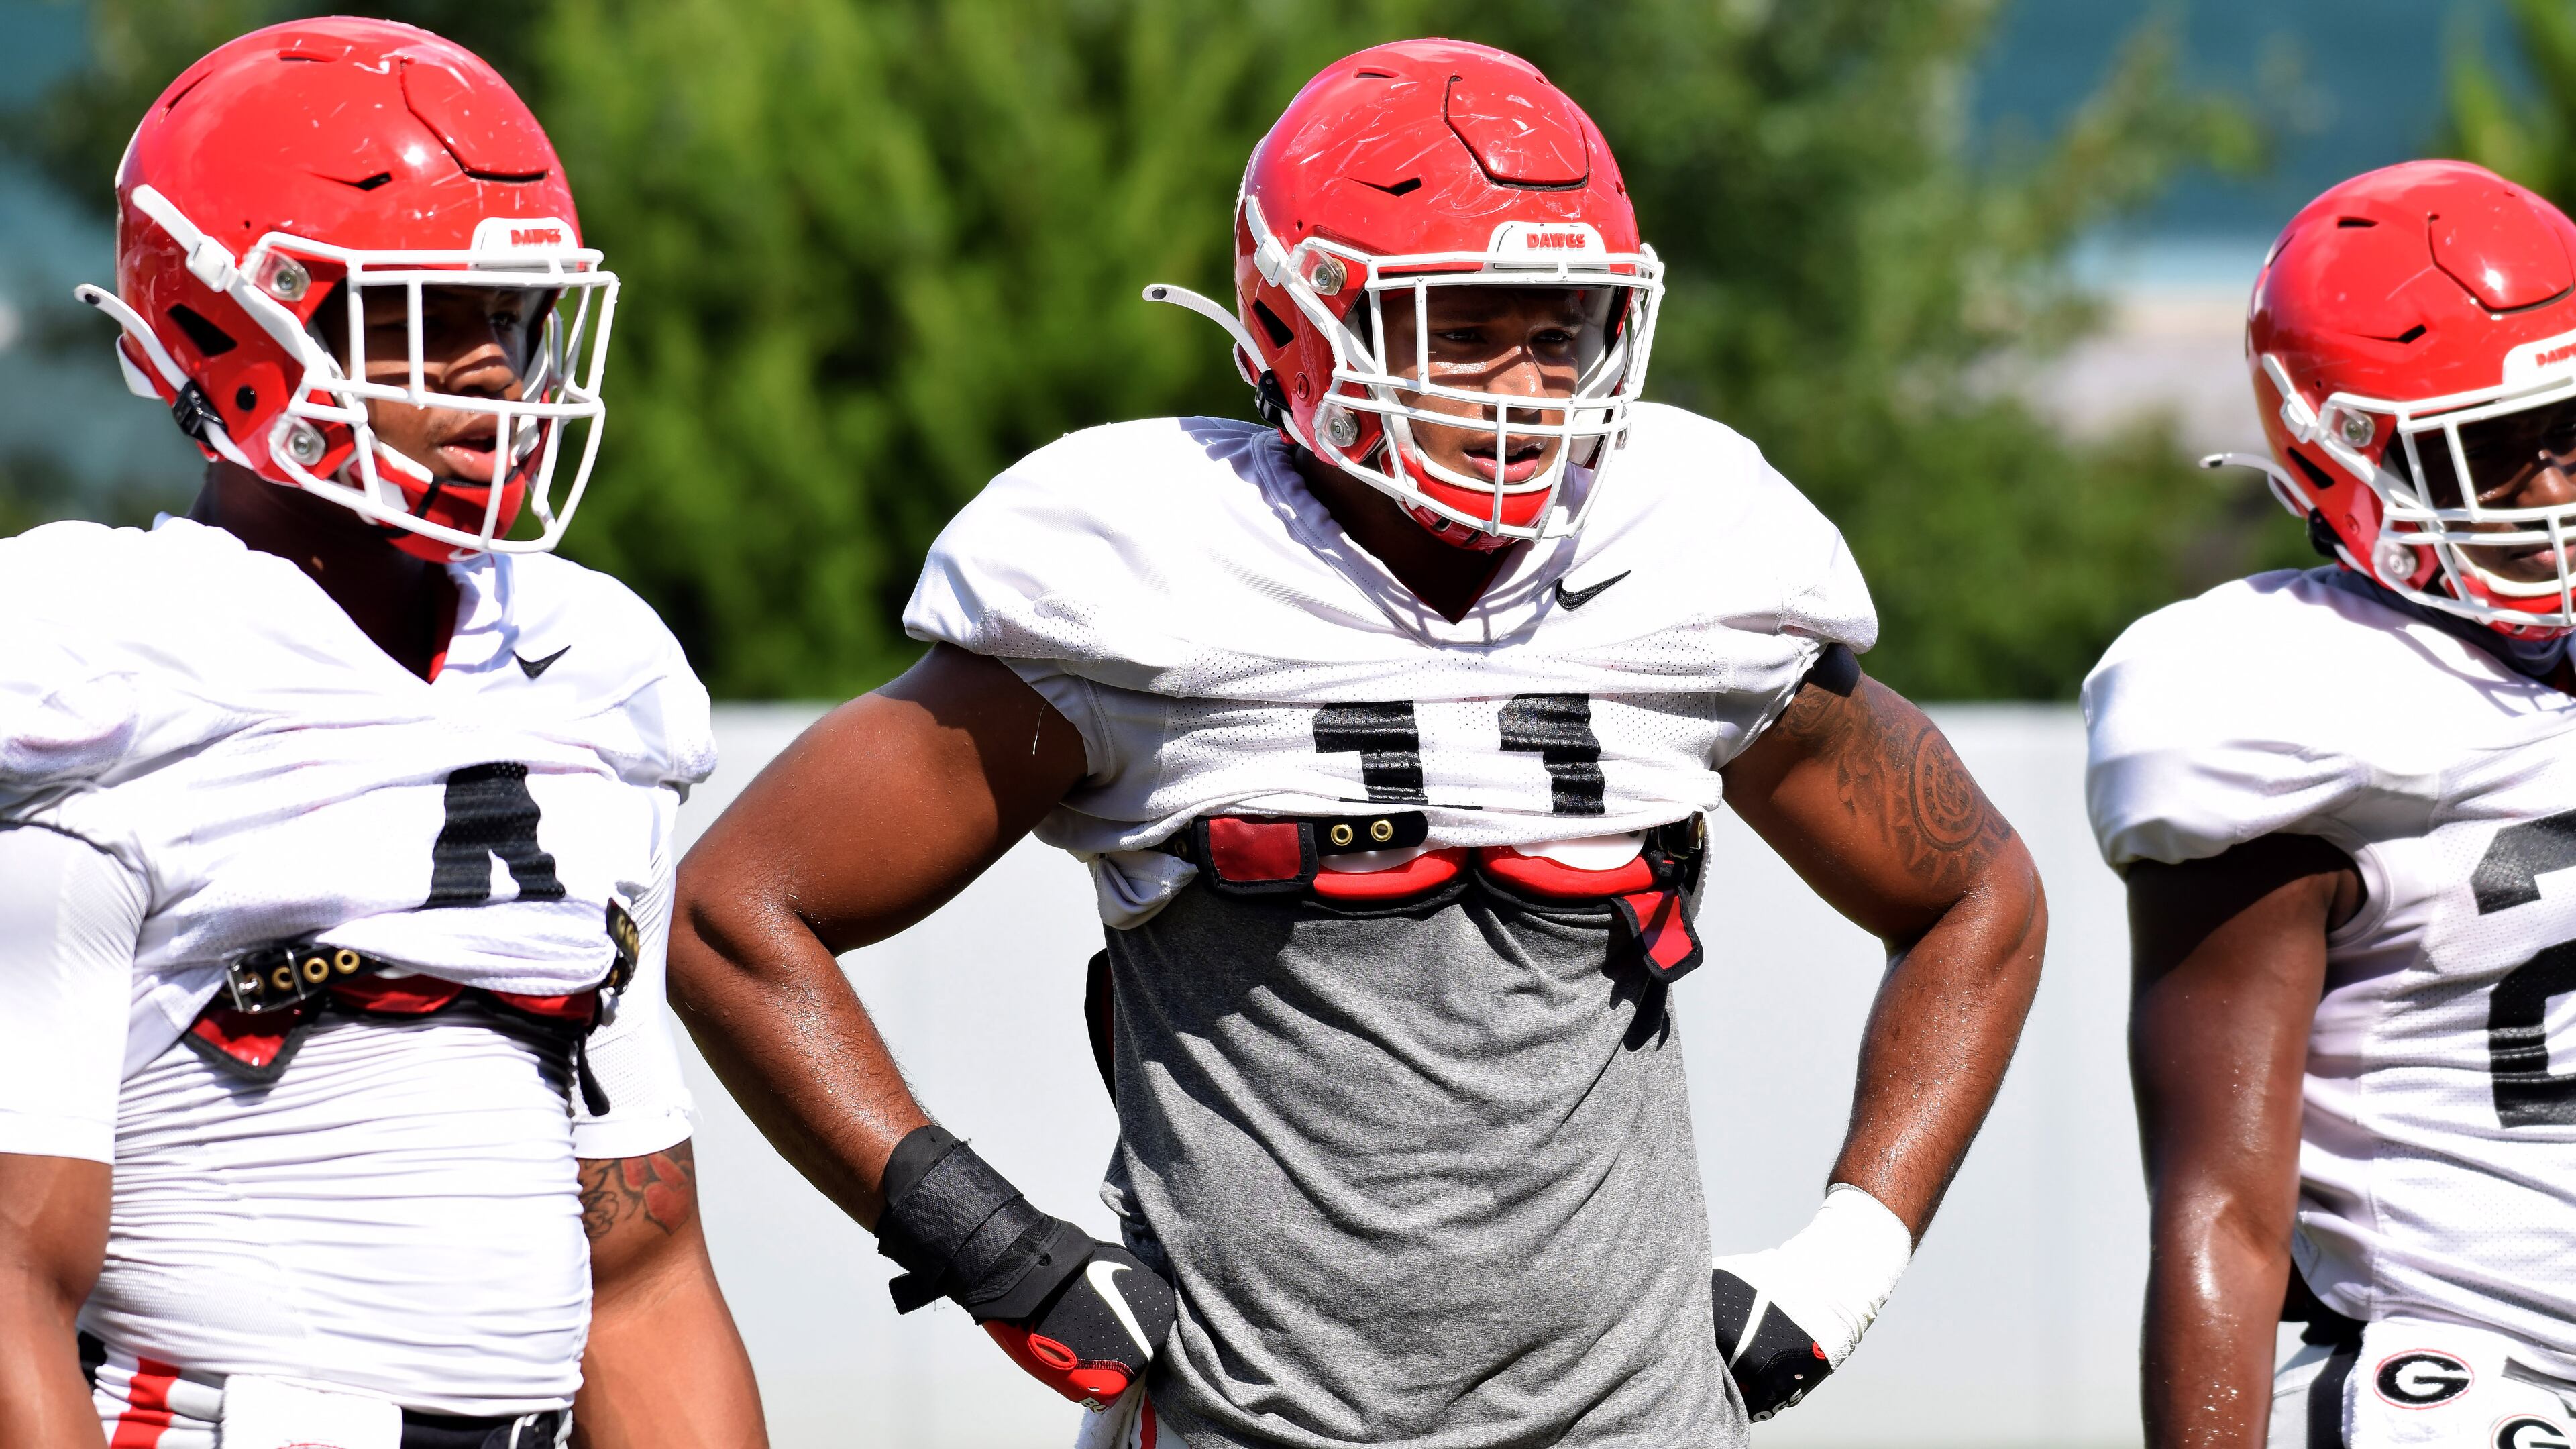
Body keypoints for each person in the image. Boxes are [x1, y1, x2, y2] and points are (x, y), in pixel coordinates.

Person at [672, 38, 2045, 1449]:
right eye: (1462, 328)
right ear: (1297, 324)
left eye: (1558, 329)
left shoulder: (1685, 567)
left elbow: (1974, 897)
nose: (1524, 386)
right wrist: (989, 1246)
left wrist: (1846, 1261)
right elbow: (740, 913)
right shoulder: (1146, 570)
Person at [0, 19, 764, 1449]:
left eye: (511, 316)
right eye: (420, 318)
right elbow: (6, 1280)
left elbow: (647, 1279)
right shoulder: (104, 665)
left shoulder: (591, 676)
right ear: (229, 328)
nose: (493, 374)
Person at [2090, 158, 2576, 1449]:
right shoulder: (2294, 709)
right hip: (2475, 1378)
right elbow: (2221, 1216)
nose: (2552, 493)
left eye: (2570, 433)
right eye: (2491, 450)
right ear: (2340, 456)